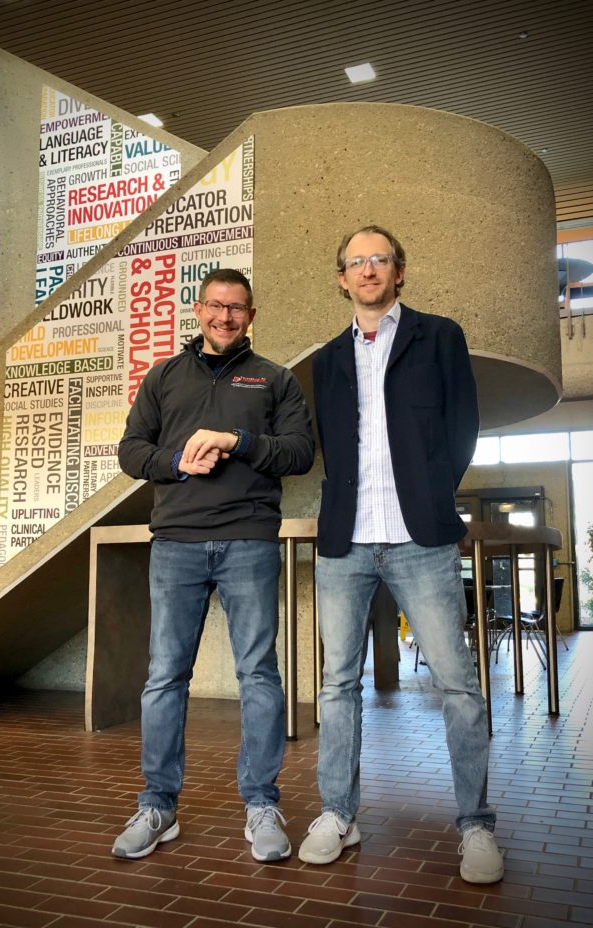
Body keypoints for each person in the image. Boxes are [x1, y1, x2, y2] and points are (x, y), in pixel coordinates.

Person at [299, 226, 503, 884]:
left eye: (377, 259)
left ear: (399, 270)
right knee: (337, 686)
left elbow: (462, 424)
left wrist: (435, 491)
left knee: (458, 685)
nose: (367, 270)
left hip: (422, 538)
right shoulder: (328, 357)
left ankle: (475, 825)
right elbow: (328, 441)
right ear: (341, 277)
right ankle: (339, 813)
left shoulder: (437, 336)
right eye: (355, 262)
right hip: (346, 541)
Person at [113, 268, 314, 863]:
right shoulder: (165, 376)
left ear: (252, 316)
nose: (226, 317)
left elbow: (300, 452)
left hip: (249, 540)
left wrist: (237, 441)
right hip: (175, 542)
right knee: (165, 677)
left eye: (238, 309)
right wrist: (176, 462)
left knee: (258, 674)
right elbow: (130, 450)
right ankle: (158, 806)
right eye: (217, 307)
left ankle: (260, 804)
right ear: (198, 311)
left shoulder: (274, 379)